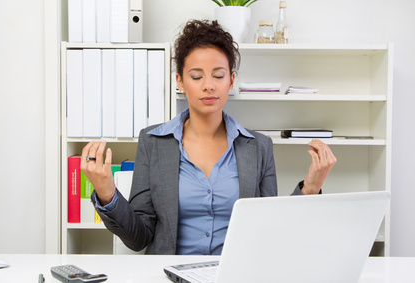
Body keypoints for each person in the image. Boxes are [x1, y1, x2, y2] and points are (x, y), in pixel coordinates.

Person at [81, 19, 337, 255]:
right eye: (196, 76)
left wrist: (311, 187)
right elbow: (139, 238)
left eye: (218, 75)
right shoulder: (153, 142)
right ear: (180, 81)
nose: (208, 85)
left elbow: (270, 231)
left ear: (231, 80)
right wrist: (107, 193)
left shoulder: (259, 147)